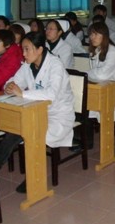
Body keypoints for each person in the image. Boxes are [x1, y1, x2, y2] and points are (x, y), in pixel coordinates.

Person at [4, 32, 75, 193]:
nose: (23, 54)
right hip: (36, 111)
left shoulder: (55, 65)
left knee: (32, 133)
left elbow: (51, 94)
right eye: (23, 49)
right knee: (17, 129)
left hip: (58, 115)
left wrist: (22, 93)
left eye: (27, 49)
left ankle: (34, 178)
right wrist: (9, 86)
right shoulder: (27, 64)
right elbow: (15, 80)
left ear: (40, 49)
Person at [87, 21, 115, 124]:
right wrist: (91, 73)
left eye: (96, 34)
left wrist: (88, 73)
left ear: (104, 35)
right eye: (91, 34)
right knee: (83, 104)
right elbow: (96, 74)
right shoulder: (96, 50)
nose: (92, 37)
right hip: (104, 89)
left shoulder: (113, 52)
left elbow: (101, 75)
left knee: (90, 106)